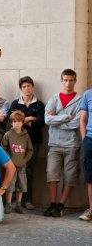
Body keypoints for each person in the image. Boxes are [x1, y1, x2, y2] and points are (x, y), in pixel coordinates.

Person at [44, 69, 81, 217]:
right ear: (61, 81)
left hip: (72, 144)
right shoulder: (54, 98)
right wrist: (66, 117)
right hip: (54, 143)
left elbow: (76, 124)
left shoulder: (79, 99)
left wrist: (56, 119)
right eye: (65, 80)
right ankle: (53, 203)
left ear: (75, 81)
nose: (68, 83)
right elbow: (47, 120)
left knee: (70, 176)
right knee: (51, 173)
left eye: (71, 80)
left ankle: (61, 205)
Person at [7, 76, 45, 210]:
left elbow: (41, 122)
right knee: (14, 170)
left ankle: (27, 200)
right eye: (24, 86)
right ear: (21, 89)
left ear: (32, 87)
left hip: (33, 142)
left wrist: (25, 120)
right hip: (16, 143)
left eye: (29, 86)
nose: (27, 89)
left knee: (28, 170)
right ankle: (11, 201)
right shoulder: (15, 104)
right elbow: (11, 121)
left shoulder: (39, 104)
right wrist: (30, 118)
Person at [1, 110, 33, 214]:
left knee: (21, 185)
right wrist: (8, 160)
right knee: (10, 186)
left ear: (22, 122)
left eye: (19, 121)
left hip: (22, 166)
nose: (17, 123)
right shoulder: (8, 135)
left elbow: (30, 150)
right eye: (14, 121)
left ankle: (18, 204)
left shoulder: (25, 136)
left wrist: (25, 160)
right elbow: (3, 148)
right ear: (11, 123)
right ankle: (8, 204)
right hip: (11, 166)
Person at [79, 87, 92, 221]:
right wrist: (84, 139)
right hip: (90, 140)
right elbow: (82, 119)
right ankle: (91, 209)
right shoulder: (88, 94)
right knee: (89, 176)